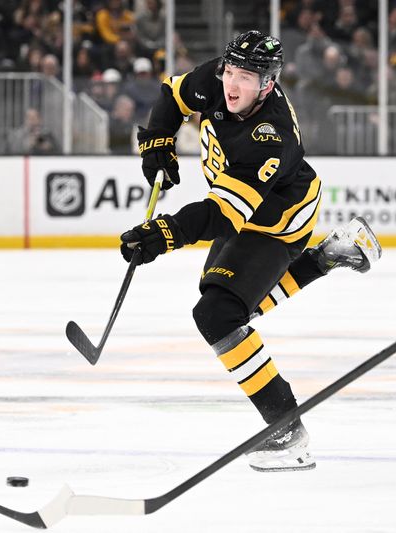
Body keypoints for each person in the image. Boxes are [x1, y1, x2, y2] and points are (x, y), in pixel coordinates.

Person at [120, 30, 381, 472]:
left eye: (248, 76)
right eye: (231, 71)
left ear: (269, 83)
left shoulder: (269, 136)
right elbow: (173, 95)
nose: (233, 85)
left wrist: (165, 233)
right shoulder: (218, 79)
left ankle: (288, 431)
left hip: (278, 223)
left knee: (218, 314)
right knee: (225, 308)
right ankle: (328, 257)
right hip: (242, 212)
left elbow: (223, 214)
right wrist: (158, 142)